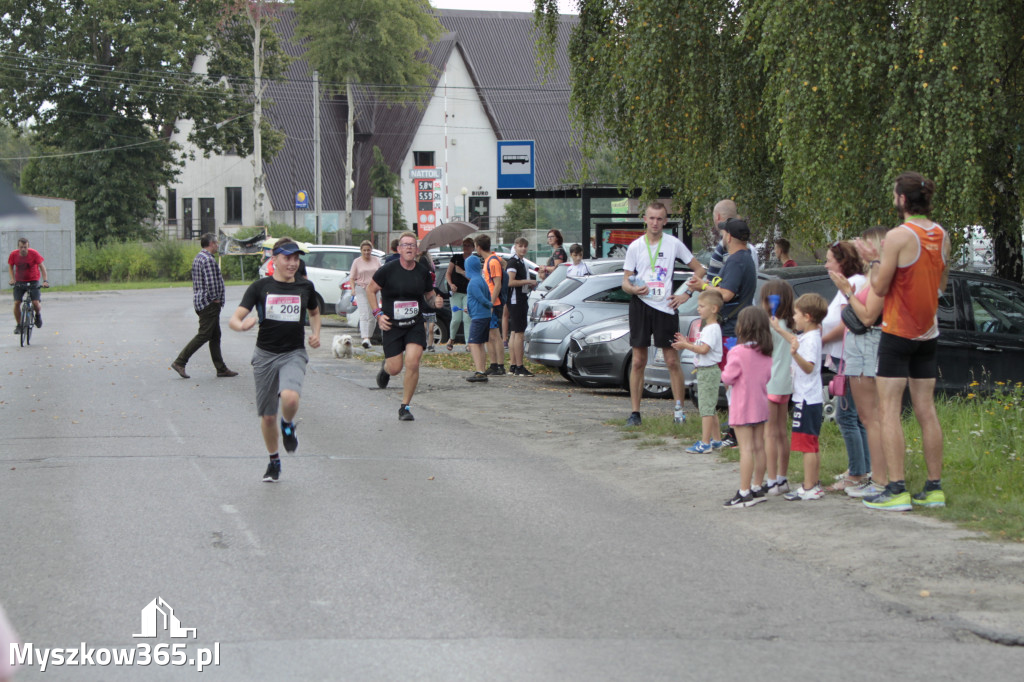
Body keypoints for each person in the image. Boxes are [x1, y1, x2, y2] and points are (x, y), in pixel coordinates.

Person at [858, 171, 950, 511]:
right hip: (929, 331)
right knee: (926, 409)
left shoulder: (898, 236)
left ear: (901, 199)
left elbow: (880, 288)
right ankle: (934, 487)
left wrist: (874, 259)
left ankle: (896, 489)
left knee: (889, 410)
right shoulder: (941, 234)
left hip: (898, 331)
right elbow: (940, 282)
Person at [228, 238, 321, 482]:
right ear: (275, 259)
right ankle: (274, 461)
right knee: (268, 416)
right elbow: (234, 319)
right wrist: (242, 325)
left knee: (290, 398)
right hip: (265, 356)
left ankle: (288, 425)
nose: (292, 263)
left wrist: (316, 333)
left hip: (293, 353)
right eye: (287, 258)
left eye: (296, 259)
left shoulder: (305, 287)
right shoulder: (260, 287)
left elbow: (314, 311)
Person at [622, 201, 707, 426]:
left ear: (666, 221)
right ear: (645, 219)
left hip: (665, 307)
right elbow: (625, 281)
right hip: (640, 305)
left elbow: (700, 270)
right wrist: (633, 288)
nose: (655, 223)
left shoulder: (673, 244)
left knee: (672, 360)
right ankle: (635, 413)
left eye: (660, 219)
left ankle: (679, 410)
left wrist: (686, 294)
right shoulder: (635, 246)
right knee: (639, 360)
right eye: (651, 218)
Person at [687, 217, 759, 447]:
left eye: (723, 234)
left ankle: (736, 433)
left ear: (728, 236)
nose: (722, 238)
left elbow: (726, 294)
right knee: (732, 383)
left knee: (732, 382)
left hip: (732, 328)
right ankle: (734, 431)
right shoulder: (742, 258)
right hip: (733, 327)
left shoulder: (738, 260)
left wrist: (703, 287)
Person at [832, 226, 889, 500]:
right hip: (859, 346)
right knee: (867, 417)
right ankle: (875, 476)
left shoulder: (878, 274)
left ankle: (878, 479)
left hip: (867, 345)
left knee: (870, 418)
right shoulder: (871, 273)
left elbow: (867, 318)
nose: (860, 249)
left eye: (864, 244)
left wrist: (847, 292)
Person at [366, 231, 444, 421]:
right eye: (405, 245)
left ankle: (405, 406)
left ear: (417, 250)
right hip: (392, 324)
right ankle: (385, 369)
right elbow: (370, 290)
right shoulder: (388, 269)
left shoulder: (422, 271)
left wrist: (436, 301)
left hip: (414, 324)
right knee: (395, 368)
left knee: (413, 361)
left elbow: (429, 295)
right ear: (399, 249)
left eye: (412, 245)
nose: (409, 247)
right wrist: (378, 314)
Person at [822, 241, 870, 492]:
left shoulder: (850, 285)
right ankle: (862, 467)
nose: (826, 264)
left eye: (830, 259)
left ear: (842, 262)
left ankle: (857, 473)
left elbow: (845, 323)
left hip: (849, 357)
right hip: (849, 356)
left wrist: (819, 340)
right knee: (858, 416)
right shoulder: (855, 283)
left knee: (846, 415)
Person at [770, 292, 828, 501]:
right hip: (809, 398)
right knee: (811, 443)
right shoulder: (809, 335)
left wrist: (795, 355)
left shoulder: (811, 341)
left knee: (807, 445)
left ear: (808, 316)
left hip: (806, 399)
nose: (793, 317)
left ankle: (809, 486)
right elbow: (795, 339)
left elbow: (809, 367)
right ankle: (814, 483)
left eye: (796, 314)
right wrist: (779, 330)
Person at [720, 307, 774, 508]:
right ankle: (757, 487)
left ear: (743, 327)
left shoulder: (738, 352)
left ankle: (743, 492)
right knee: (759, 447)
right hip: (761, 404)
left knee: (746, 450)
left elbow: (727, 377)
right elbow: (768, 376)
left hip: (742, 406)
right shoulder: (766, 353)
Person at [170, 233, 238, 379]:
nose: (217, 245)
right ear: (211, 244)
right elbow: (211, 282)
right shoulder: (207, 260)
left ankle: (221, 368)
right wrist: (215, 299)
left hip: (201, 301)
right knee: (205, 334)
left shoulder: (199, 257)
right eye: (216, 243)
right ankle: (180, 361)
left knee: (215, 335)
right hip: (209, 303)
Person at [672, 290, 724, 453]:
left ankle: (705, 442)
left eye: (702, 306)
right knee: (710, 407)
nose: (698, 309)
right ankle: (716, 440)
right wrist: (687, 342)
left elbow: (704, 349)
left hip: (708, 371)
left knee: (706, 409)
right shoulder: (708, 328)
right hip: (704, 371)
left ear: (714, 309)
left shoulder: (711, 328)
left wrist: (686, 346)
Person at [759, 279, 795, 496]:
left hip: (770, 384)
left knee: (769, 434)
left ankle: (771, 480)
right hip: (785, 385)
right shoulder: (790, 326)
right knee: (782, 432)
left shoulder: (771, 327)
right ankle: (781, 478)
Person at [506, 237, 538, 376]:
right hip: (516, 299)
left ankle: (513, 365)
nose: (523, 248)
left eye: (525, 246)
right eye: (520, 246)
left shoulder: (520, 262)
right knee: (519, 334)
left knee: (514, 332)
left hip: (519, 298)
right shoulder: (513, 262)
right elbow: (510, 282)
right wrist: (528, 281)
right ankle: (519, 366)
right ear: (515, 246)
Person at [475, 234, 507, 376]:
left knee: (495, 335)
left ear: (479, 247)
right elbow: (504, 263)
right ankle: (494, 364)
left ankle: (500, 365)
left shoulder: (492, 262)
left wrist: (491, 303)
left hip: (493, 303)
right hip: (489, 302)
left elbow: (497, 284)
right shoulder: (492, 259)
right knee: (489, 335)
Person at [706, 200, 761, 278]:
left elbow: (728, 280)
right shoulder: (749, 248)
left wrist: (703, 286)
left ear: (718, 216)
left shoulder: (727, 246)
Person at [8, 236, 48, 333]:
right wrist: (12, 279)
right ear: (18, 247)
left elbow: (42, 267)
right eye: (21, 247)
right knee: (17, 303)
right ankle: (19, 325)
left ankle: (38, 315)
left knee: (35, 303)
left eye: (25, 247)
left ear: (28, 246)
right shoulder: (13, 255)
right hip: (20, 281)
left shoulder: (34, 254)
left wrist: (45, 281)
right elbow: (10, 266)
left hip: (33, 280)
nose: (23, 249)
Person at [464, 253, 493, 382]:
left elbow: (481, 298)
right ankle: (482, 370)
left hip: (479, 317)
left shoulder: (473, 283)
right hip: (484, 315)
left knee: (473, 343)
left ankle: (479, 371)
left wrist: (488, 304)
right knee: (480, 343)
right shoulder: (481, 279)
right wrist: (469, 308)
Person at [346, 240, 380, 349]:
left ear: (371, 250)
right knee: (364, 314)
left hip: (374, 290)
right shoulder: (357, 262)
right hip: (361, 288)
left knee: (373, 315)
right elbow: (352, 277)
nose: (366, 252)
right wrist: (352, 289)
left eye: (368, 250)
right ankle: (365, 338)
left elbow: (381, 274)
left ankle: (369, 337)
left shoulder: (376, 260)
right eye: (364, 250)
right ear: (361, 251)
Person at [445, 237, 475, 351]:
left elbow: (474, 278)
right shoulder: (456, 258)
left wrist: (461, 272)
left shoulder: (473, 260)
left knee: (467, 318)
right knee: (456, 318)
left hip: (468, 293)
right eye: (464, 245)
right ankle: (451, 338)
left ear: (473, 248)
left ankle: (468, 343)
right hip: (456, 293)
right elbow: (448, 273)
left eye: (468, 245)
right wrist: (451, 284)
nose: (466, 247)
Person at [417, 249, 438, 352]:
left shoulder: (427, 261)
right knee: (425, 327)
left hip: (430, 297)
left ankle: (430, 345)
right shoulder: (423, 260)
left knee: (430, 328)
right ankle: (425, 344)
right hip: (426, 298)